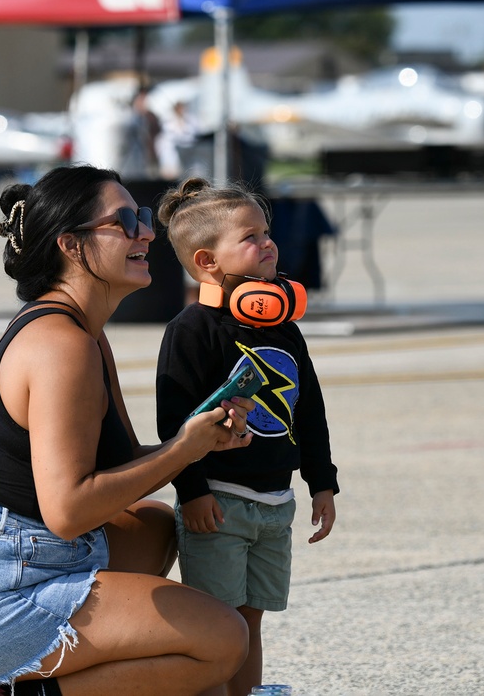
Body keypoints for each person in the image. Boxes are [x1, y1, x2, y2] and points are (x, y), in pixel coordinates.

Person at [0, 165, 253, 696]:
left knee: (154, 526)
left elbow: (120, 466)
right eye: (128, 220)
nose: (148, 232)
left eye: (145, 217)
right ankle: (28, 693)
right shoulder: (61, 346)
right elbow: (69, 512)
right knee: (224, 640)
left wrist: (203, 437)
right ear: (71, 244)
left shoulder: (82, 332)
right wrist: (183, 449)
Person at [155, 177, 339, 696]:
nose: (268, 244)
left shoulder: (284, 327)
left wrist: (321, 482)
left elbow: (311, 408)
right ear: (208, 261)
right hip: (220, 502)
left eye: (267, 232)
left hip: (275, 502)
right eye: (251, 236)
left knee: (250, 622)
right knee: (219, 624)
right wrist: (191, 491)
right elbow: (173, 423)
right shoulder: (191, 329)